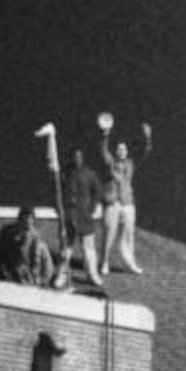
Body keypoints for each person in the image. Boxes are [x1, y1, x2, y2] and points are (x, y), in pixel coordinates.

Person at [99, 119, 152, 275]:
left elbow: (145, 152)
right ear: (116, 151)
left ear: (127, 152)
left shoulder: (130, 163)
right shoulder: (111, 163)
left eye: (124, 149)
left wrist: (147, 137)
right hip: (113, 201)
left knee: (128, 235)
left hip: (128, 202)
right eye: (119, 149)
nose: (121, 151)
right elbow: (103, 150)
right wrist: (105, 135)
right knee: (109, 232)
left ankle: (130, 264)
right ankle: (104, 262)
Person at [56, 147, 104, 288]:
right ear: (71, 158)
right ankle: (62, 275)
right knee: (66, 248)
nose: (77, 159)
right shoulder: (64, 174)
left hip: (85, 216)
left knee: (89, 248)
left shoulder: (90, 174)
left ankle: (92, 275)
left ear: (83, 158)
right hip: (68, 216)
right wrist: (59, 209)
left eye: (79, 156)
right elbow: (55, 192)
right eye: (74, 156)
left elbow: (98, 192)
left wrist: (91, 209)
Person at [0, 206, 55, 286]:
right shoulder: (9, 238)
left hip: (33, 281)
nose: (27, 221)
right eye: (24, 219)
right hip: (12, 281)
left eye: (30, 219)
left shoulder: (39, 243)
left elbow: (47, 266)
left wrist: (41, 281)